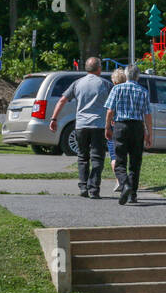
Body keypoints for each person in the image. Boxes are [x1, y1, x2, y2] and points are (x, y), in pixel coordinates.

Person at [49, 57, 111, 199]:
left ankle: (83, 186)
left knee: (82, 157)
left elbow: (62, 100)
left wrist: (54, 118)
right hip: (98, 125)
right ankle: (94, 189)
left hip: (81, 126)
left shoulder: (77, 83)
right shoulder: (105, 84)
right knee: (97, 158)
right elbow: (114, 104)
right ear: (99, 68)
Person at [105, 65, 152, 205]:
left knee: (120, 160)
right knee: (135, 162)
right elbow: (147, 115)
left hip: (120, 126)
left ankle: (125, 184)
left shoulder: (117, 89)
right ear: (138, 76)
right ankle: (133, 194)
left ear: (126, 76)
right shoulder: (143, 91)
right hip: (137, 127)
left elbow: (109, 111)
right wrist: (149, 133)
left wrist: (107, 127)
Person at [106, 68, 127, 193]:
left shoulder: (114, 91)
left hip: (115, 125)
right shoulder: (129, 90)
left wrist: (107, 125)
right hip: (127, 125)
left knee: (114, 156)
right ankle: (124, 179)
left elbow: (110, 110)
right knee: (124, 155)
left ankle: (119, 180)